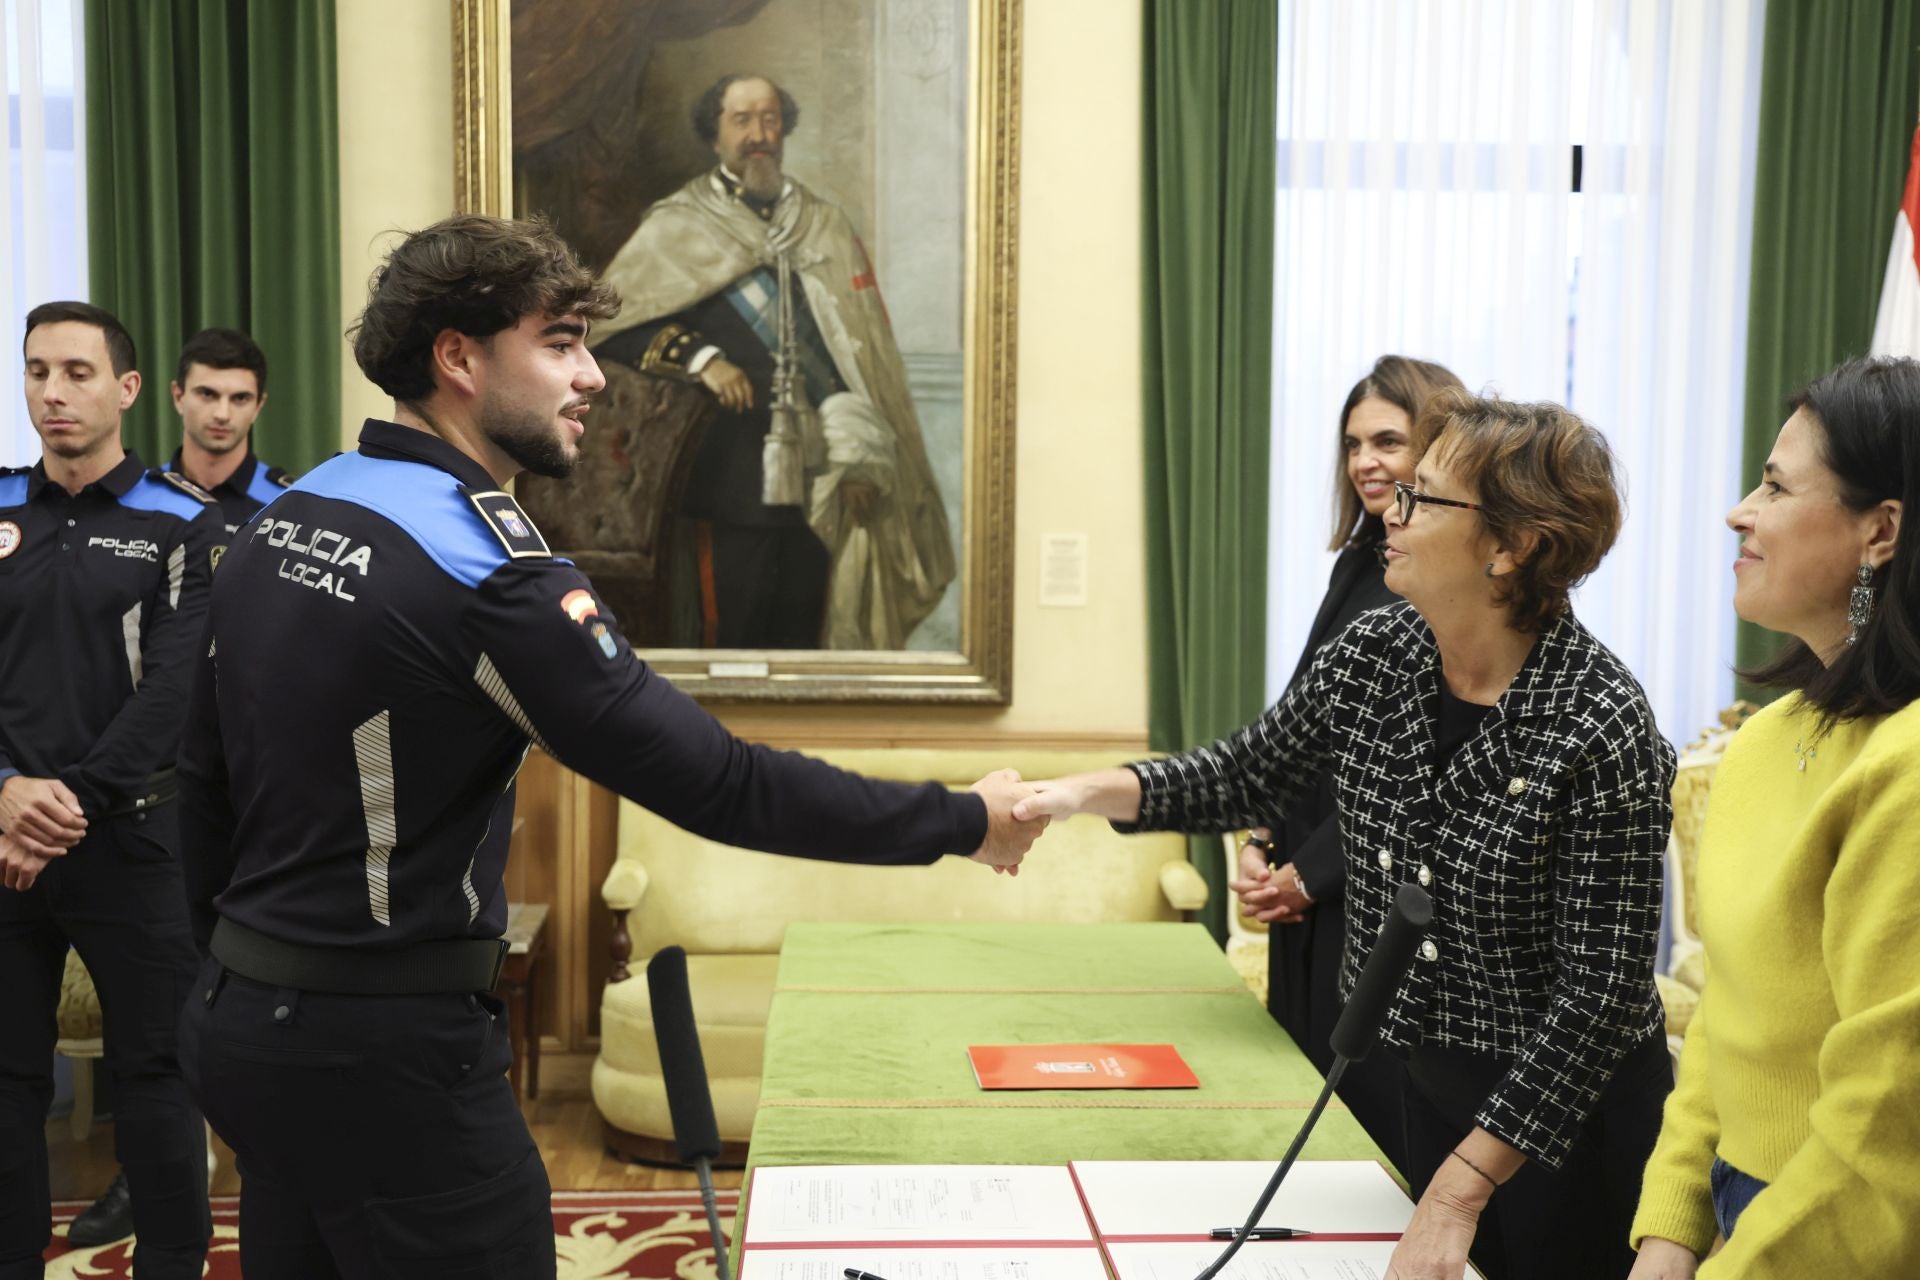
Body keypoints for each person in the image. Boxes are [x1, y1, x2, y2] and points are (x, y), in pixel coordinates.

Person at [173, 213, 1044, 1279]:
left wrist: (230, 964)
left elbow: (199, 776)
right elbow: (720, 783)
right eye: (560, 343)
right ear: (458, 358)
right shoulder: (488, 570)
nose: (592, 375)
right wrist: (963, 818)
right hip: (385, 1056)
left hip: (241, 1020)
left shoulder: (292, 508)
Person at [1016, 392, 1676, 1280]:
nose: (1391, 510)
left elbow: (1599, 996)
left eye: (1421, 496)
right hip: (1428, 1086)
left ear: (1512, 545)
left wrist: (1459, 1193)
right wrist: (1074, 794)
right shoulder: (1379, 652)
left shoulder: (1601, 722)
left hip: (1565, 1124)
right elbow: (1247, 772)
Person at [1629, 356, 1920, 1278]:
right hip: (1743, 1209)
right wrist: (1671, 1231)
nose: (1738, 511)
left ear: (1881, 531)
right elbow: (1727, 1015)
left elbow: (1887, 1127)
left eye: (1776, 486)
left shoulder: (1908, 765)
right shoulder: (1764, 740)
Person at [0, 301, 221, 1278]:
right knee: (5, 1080)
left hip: (133, 844)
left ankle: (171, 1262)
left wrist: (59, 807)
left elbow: (173, 695)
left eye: (77, 372)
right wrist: (6, 791)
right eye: (37, 370)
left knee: (158, 1075)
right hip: (4, 841)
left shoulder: (182, 521)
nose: (53, 391)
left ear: (127, 390)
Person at [593, 72, 954, 650]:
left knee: (811, 642)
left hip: (825, 476)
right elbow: (613, 328)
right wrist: (701, 359)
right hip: (731, 480)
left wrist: (857, 457)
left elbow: (855, 356)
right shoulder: (678, 225)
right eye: (742, 121)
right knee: (734, 642)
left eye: (770, 119)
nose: (758, 135)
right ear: (715, 136)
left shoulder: (823, 224)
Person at [1231, 354, 1463, 1174]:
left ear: (1437, 449)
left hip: (1367, 889)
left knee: (1363, 1130)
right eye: (1353, 443)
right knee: (1300, 1103)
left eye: (1387, 442)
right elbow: (1304, 718)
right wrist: (1262, 835)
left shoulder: (1437, 580)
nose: (1365, 461)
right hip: (1304, 881)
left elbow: (1417, 771)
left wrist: (1309, 874)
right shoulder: (1362, 562)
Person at [164, 327, 293, 535]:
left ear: (258, 406)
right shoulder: (140, 496)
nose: (222, 414)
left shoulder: (285, 503)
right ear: (178, 397)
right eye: (207, 394)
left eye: (240, 398)